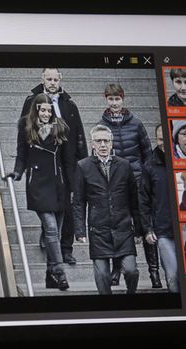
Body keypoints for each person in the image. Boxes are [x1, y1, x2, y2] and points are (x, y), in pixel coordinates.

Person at [20, 68, 87, 265]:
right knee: (49, 201)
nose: (52, 82)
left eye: (55, 79)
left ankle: (66, 248)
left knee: (67, 203)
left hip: (68, 160)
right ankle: (49, 234)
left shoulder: (69, 104)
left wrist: (83, 162)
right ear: (42, 79)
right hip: (45, 161)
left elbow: (79, 134)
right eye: (48, 79)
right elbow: (25, 131)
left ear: (60, 80)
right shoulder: (32, 101)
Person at [8, 93, 75, 290]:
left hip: (58, 184)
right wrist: (17, 173)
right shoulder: (26, 126)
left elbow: (67, 159)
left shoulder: (60, 126)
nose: (46, 113)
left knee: (55, 231)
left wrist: (72, 185)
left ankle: (50, 276)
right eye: (42, 110)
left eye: (49, 110)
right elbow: (22, 154)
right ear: (36, 109)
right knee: (52, 229)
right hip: (37, 184)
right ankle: (61, 274)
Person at [98, 83, 161, 288]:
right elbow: (98, 155)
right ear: (106, 100)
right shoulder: (102, 125)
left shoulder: (136, 123)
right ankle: (116, 270)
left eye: (117, 99)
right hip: (116, 183)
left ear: (123, 99)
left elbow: (147, 152)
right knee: (119, 226)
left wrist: (145, 176)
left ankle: (154, 273)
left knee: (145, 224)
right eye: (111, 99)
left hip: (138, 181)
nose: (114, 103)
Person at [73, 125, 141, 295]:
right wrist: (80, 231)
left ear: (111, 144)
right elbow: (79, 201)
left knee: (131, 271)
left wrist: (139, 229)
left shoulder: (124, 165)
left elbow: (134, 199)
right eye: (98, 141)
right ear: (92, 144)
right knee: (102, 275)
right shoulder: (83, 166)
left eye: (106, 141)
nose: (102, 144)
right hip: (99, 230)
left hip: (123, 228)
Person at [140, 124, 180, 293]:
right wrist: (148, 229)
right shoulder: (149, 166)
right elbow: (143, 200)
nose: (163, 143)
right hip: (164, 231)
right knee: (172, 277)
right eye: (160, 139)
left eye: (167, 139)